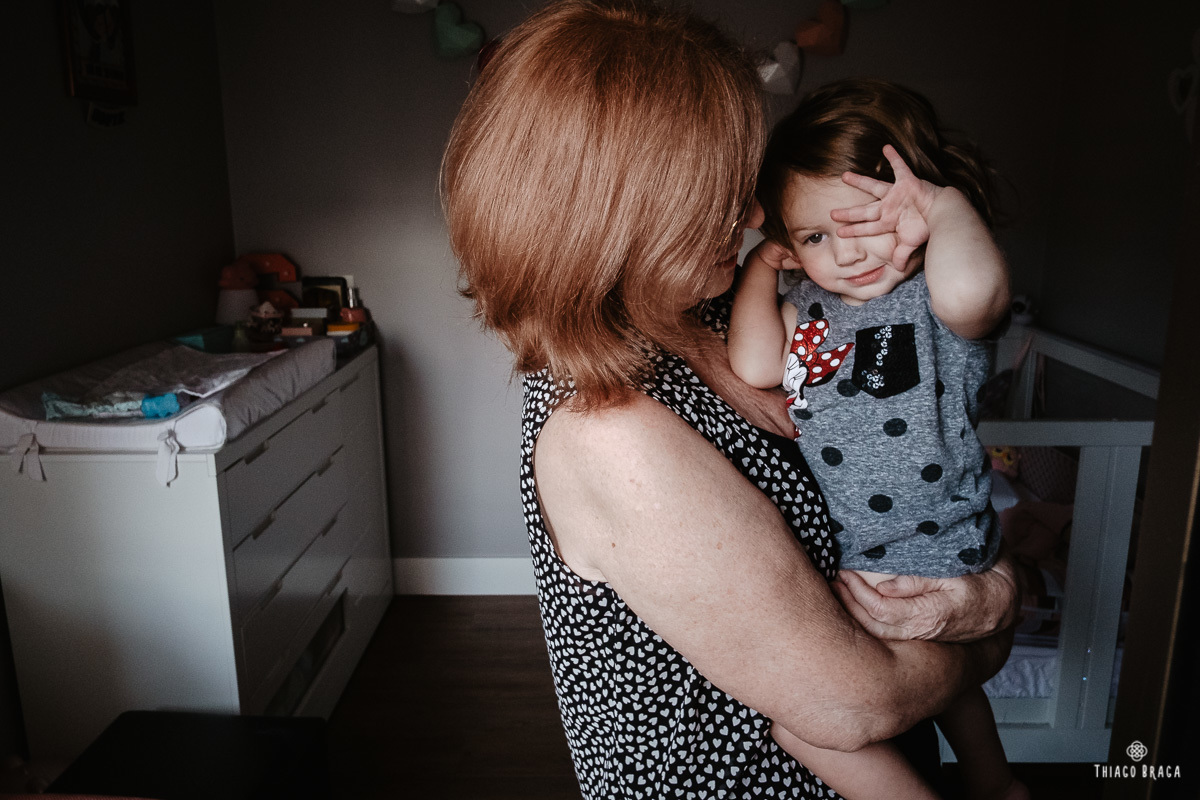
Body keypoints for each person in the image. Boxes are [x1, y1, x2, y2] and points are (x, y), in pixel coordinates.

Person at [442, 3, 1020, 798]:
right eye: (718, 193)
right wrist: (995, 615)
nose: (753, 216)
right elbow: (854, 704)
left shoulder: (720, 315)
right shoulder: (610, 435)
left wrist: (981, 588)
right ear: (617, 219)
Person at [727, 78, 1025, 800]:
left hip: (942, 545)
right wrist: (760, 270)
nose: (850, 254)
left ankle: (989, 783)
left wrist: (944, 207)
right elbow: (756, 364)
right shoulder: (812, 308)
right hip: (859, 550)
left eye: (869, 224)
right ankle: (995, 788)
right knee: (911, 698)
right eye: (817, 237)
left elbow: (976, 295)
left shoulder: (933, 298)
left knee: (858, 709)